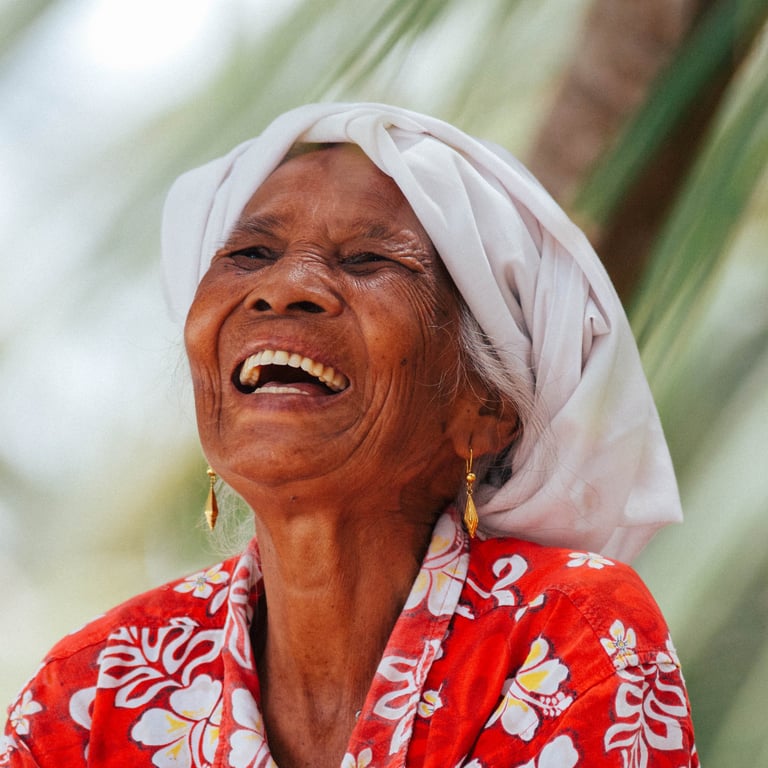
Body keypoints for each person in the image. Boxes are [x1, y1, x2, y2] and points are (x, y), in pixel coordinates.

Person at [2, 103, 697, 768]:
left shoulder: (564, 634)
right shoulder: (95, 691)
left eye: (369, 260)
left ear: (484, 410)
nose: (287, 286)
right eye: (248, 253)